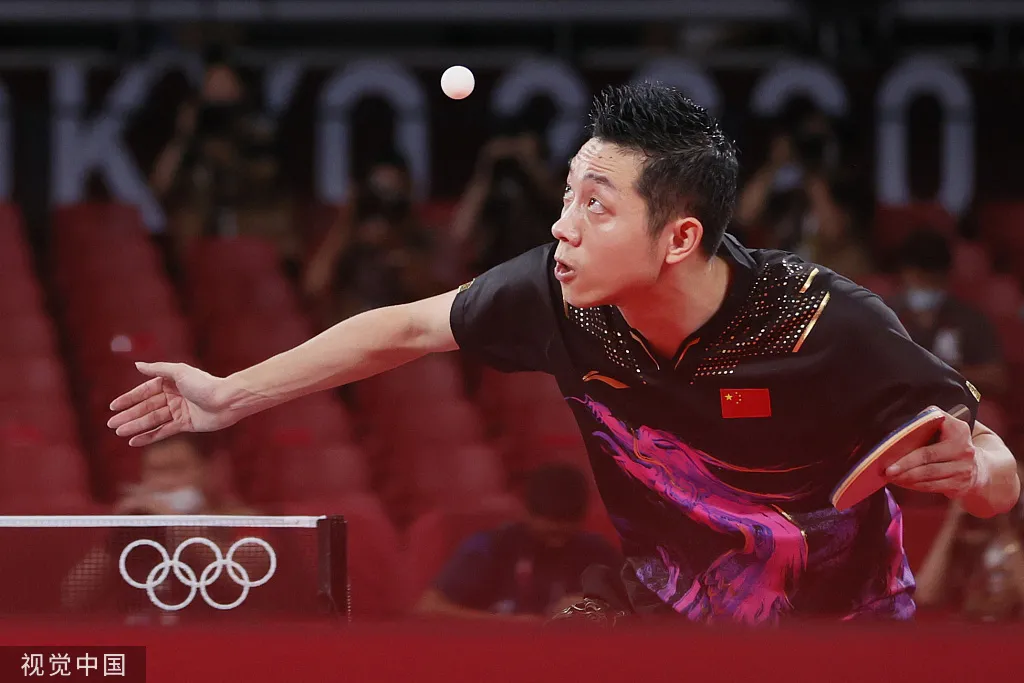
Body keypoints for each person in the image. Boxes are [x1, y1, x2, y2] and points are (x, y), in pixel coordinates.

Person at [106, 83, 1020, 625]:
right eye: (567, 196)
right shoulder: (558, 294)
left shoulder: (821, 318)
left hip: (839, 631)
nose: (562, 227)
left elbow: (991, 465)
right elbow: (407, 327)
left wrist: (976, 475)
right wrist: (228, 396)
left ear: (678, 236)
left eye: (596, 205)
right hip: (668, 622)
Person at [416, 464, 621, 621]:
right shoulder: (489, 546)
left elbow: (634, 606)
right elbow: (429, 607)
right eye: (549, 532)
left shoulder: (597, 551)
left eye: (565, 532)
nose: (557, 543)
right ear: (526, 512)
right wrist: (510, 624)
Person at [888, 229, 1008, 398]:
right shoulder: (886, 315)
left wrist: (945, 372)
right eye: (919, 279)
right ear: (904, 274)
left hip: (955, 404)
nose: (926, 287)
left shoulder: (969, 319)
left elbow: (996, 380)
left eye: (933, 281)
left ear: (946, 278)